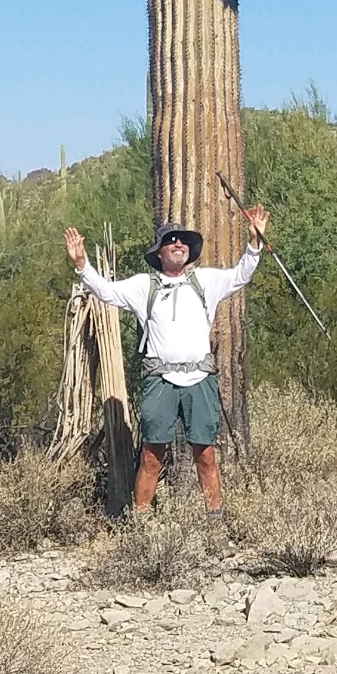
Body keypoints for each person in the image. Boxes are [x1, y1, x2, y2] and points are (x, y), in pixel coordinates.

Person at [63, 208, 270, 520]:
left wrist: (254, 242)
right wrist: (82, 265)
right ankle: (142, 522)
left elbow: (241, 274)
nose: (178, 244)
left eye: (183, 240)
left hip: (200, 378)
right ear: (159, 252)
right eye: (170, 240)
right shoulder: (143, 286)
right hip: (160, 380)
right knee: (151, 455)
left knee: (206, 453)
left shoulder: (206, 281)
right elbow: (106, 292)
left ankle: (214, 521)